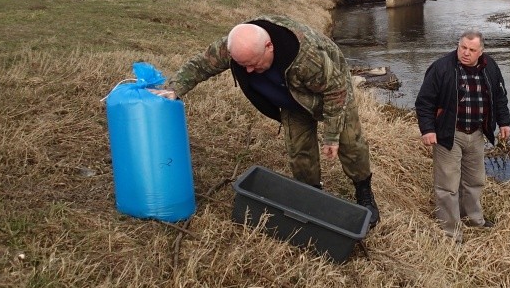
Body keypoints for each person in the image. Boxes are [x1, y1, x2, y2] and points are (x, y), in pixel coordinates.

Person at [153, 14, 379, 226]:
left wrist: (331, 136)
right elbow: (201, 65)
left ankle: (364, 192)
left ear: (269, 46)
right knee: (299, 150)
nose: (249, 70)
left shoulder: (308, 55)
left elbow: (334, 90)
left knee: (350, 143)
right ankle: (311, 195)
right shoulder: (236, 46)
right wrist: (175, 88)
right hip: (292, 99)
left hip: (332, 91)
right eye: (243, 66)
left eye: (253, 63)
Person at [415, 30, 510, 241]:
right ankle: (450, 232)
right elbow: (424, 102)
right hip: (449, 134)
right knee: (447, 186)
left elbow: (499, 96)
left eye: (471, 50)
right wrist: (428, 130)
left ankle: (473, 220)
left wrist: (504, 122)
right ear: (458, 46)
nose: (466, 53)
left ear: (481, 51)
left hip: (476, 133)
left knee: (475, 181)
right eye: (462, 48)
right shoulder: (441, 67)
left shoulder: (490, 67)